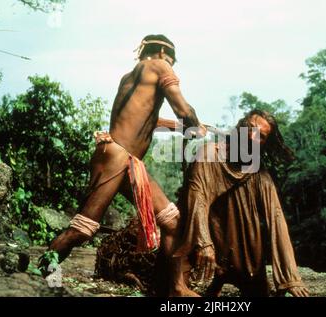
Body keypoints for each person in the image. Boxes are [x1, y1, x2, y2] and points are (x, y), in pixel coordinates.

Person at [39, 34, 206, 296]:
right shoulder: (160, 66)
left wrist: (180, 126)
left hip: (125, 160)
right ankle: (46, 277)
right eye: (172, 61)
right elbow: (183, 109)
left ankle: (176, 288)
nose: (172, 66)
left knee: (171, 221)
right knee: (83, 229)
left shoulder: (130, 77)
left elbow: (145, 117)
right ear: (163, 53)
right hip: (118, 156)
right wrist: (193, 124)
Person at [172, 110, 309, 297]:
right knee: (175, 291)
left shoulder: (258, 171)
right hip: (203, 240)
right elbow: (198, 200)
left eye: (261, 136)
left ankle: (235, 274)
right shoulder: (210, 153)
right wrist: (204, 243)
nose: (253, 137)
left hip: (243, 250)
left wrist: (290, 278)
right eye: (251, 129)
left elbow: (276, 218)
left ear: (264, 144)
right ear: (240, 127)